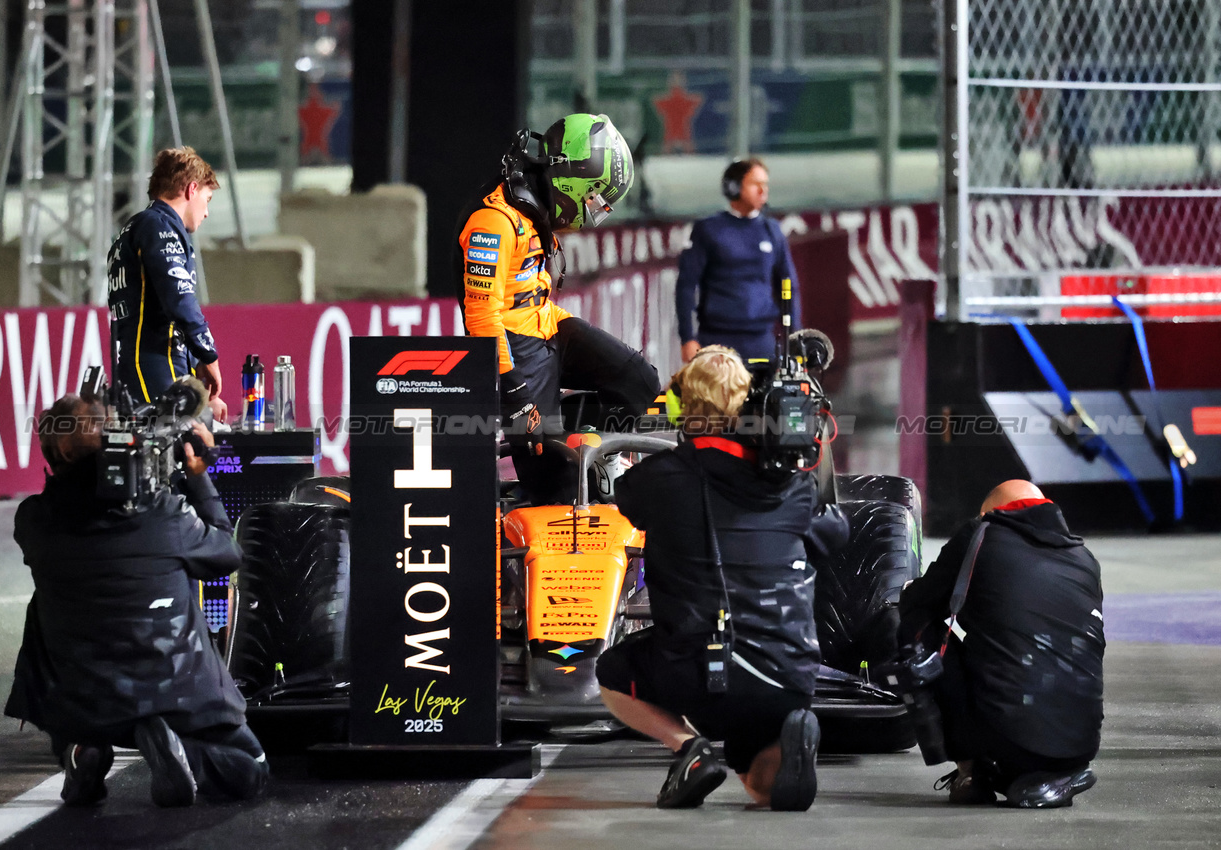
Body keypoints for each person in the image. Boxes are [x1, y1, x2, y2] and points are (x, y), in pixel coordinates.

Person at [595, 346, 849, 810]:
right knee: (759, 783)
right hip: (789, 675)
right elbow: (836, 535)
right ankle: (784, 737)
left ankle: (688, 750)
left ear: (680, 408)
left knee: (610, 672)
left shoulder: (658, 478)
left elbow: (628, 502)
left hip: (698, 676)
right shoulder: (792, 485)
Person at [5, 390, 269, 807]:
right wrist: (198, 476)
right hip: (179, 692)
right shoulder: (165, 514)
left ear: (53, 459)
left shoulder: (33, 520)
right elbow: (226, 553)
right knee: (251, 767)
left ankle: (79, 749)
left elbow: (70, 495)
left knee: (50, 607)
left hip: (81, 697)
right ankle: (182, 749)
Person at [456, 113, 661, 503]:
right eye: (595, 197)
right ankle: (563, 455)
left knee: (639, 381)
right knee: (557, 487)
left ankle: (594, 452)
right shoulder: (494, 221)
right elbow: (481, 317)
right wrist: (515, 394)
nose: (598, 209)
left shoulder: (535, 204)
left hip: (548, 323)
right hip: (513, 346)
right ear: (572, 181)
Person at [897, 479, 1104, 808]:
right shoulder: (1084, 558)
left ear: (989, 512)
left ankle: (971, 771)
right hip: (1081, 744)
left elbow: (918, 603)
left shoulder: (981, 534)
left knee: (916, 626)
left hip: (1009, 737)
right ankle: (1051, 774)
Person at [108, 146, 228, 423]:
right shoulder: (157, 226)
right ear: (191, 189)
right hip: (154, 365)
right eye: (207, 199)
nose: (206, 212)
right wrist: (208, 356)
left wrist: (196, 368)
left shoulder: (135, 228)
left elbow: (159, 306)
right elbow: (179, 299)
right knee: (175, 455)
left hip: (142, 364)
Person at [676, 158, 800, 364]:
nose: (763, 191)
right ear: (733, 187)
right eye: (755, 184)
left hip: (762, 340)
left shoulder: (772, 231)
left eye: (765, 184)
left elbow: (787, 285)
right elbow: (686, 286)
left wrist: (794, 334)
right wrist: (687, 337)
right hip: (717, 341)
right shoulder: (708, 229)